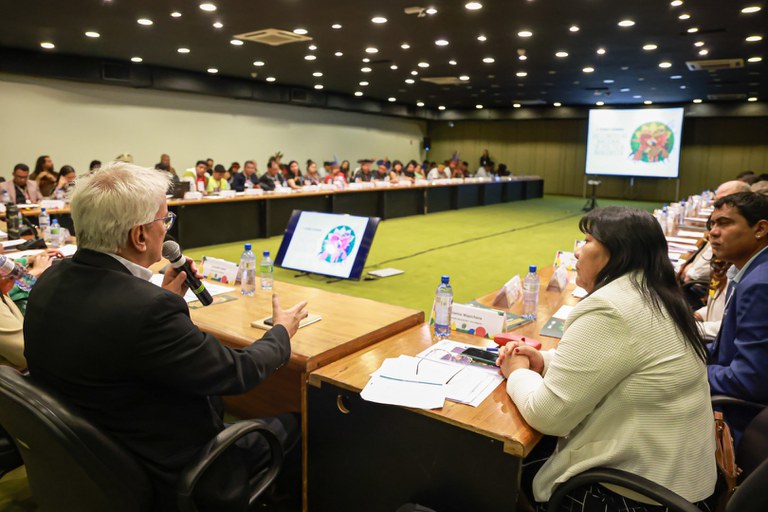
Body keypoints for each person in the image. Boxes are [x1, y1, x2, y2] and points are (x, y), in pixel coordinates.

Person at [24, 162, 309, 511]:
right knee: (298, 421)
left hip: (97, 460)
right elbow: (237, 373)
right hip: (168, 471)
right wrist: (281, 332)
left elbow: (119, 339)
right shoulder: (147, 310)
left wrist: (164, 298)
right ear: (139, 235)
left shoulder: (50, 280)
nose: (168, 230)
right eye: (165, 220)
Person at [497, 206, 716, 511]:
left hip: (632, 496)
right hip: (678, 482)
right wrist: (545, 361)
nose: (577, 253)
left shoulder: (610, 307)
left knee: (498, 465)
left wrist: (518, 371)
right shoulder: (655, 291)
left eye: (586, 241)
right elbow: (620, 360)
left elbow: (548, 415)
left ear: (616, 253)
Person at [707, 191, 768, 442]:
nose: (713, 232)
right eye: (712, 224)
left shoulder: (760, 284)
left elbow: (750, 378)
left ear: (760, 229)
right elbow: (727, 347)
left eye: (724, 223)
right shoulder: (747, 271)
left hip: (740, 420)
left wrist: (696, 372)